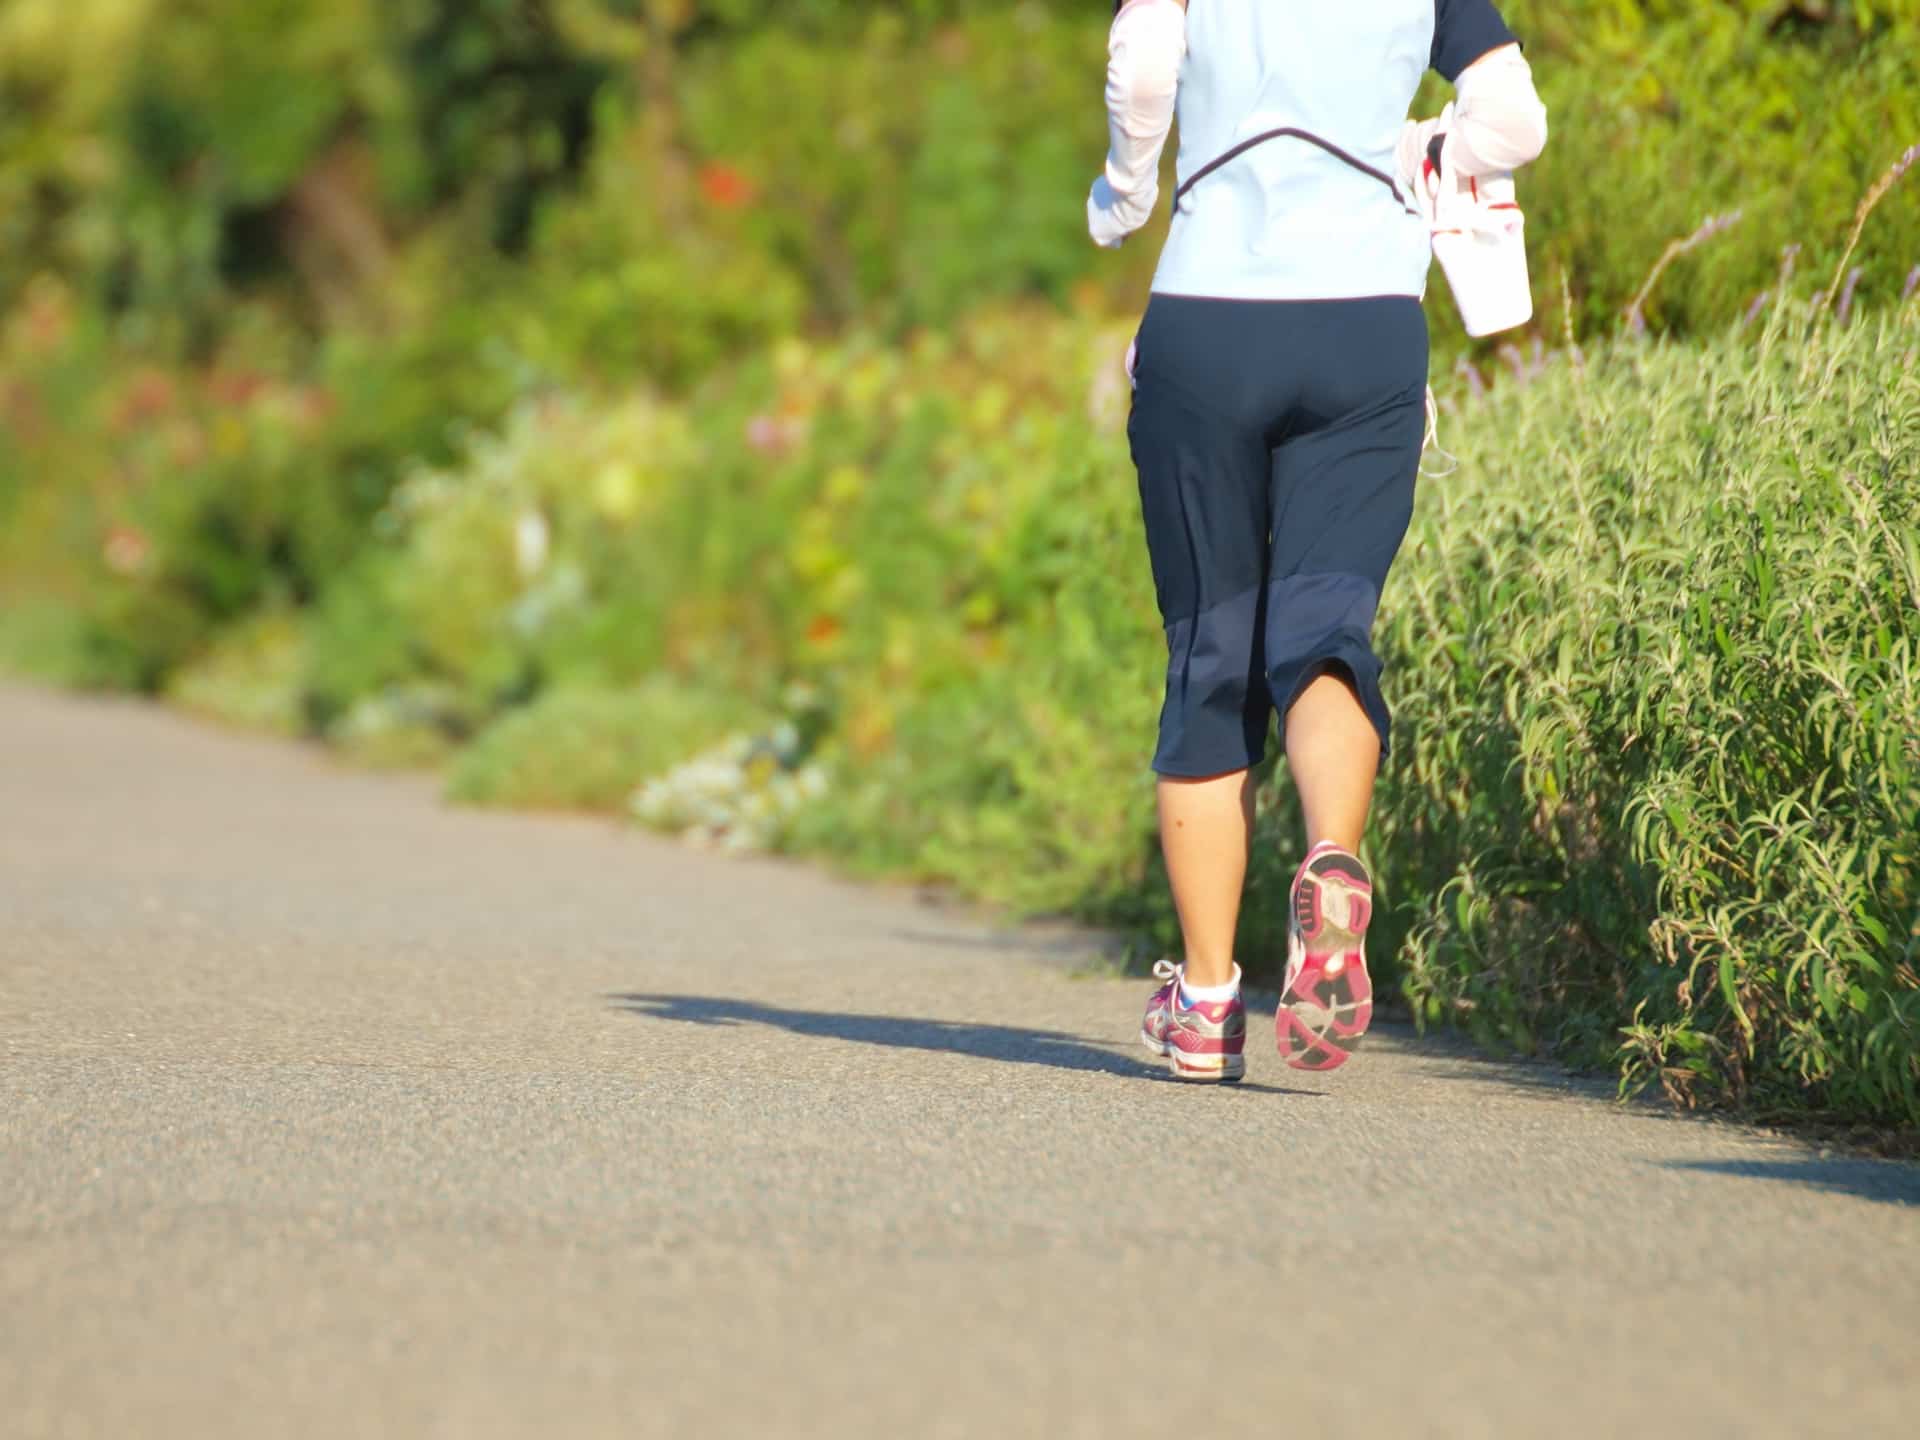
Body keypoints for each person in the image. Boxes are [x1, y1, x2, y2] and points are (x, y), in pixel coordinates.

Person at [1090, 0, 1548, 1081]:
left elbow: (1144, 67)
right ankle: (1333, 860)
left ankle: (1205, 1006)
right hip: (1366, 323)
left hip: (1213, 310)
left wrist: (1127, 188)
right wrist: (1420, 151)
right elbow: (1513, 121)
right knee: (1326, 626)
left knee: (1212, 654)